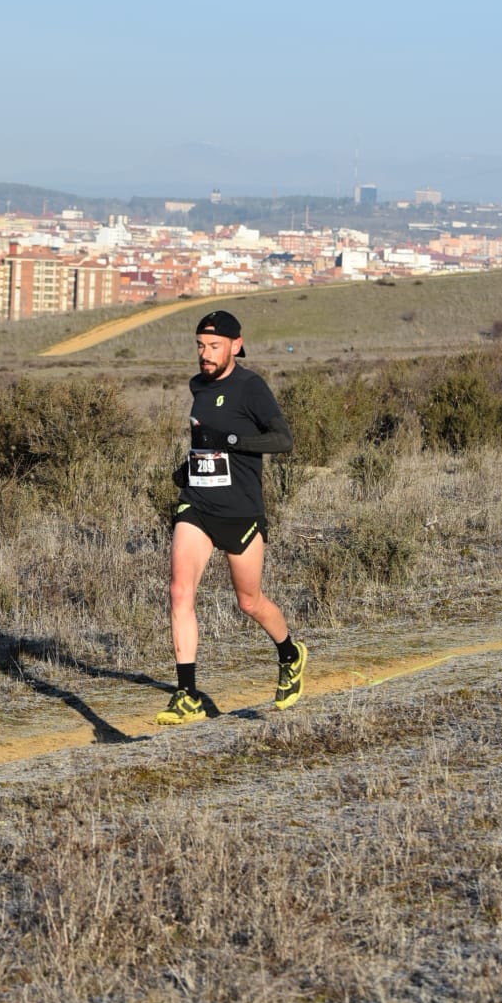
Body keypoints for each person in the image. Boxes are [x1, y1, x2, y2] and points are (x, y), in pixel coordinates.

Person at [158, 309, 306, 724]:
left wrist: (234, 440)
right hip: (198, 505)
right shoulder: (198, 386)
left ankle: (290, 654)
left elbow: (283, 439)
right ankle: (185, 694)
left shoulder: (250, 387)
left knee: (250, 601)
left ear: (236, 346)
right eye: (201, 346)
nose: (205, 355)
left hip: (241, 510)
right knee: (180, 592)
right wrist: (190, 470)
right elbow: (207, 446)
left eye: (214, 347)